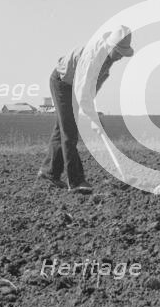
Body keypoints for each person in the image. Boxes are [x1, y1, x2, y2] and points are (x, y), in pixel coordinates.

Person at [37, 25, 134, 194]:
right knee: (70, 130)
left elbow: (91, 91)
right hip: (63, 83)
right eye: (118, 52)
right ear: (111, 46)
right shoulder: (92, 57)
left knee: (62, 129)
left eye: (122, 54)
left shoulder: (107, 61)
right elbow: (83, 94)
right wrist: (92, 118)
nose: (120, 57)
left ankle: (49, 172)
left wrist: (94, 117)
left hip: (76, 86)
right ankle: (75, 181)